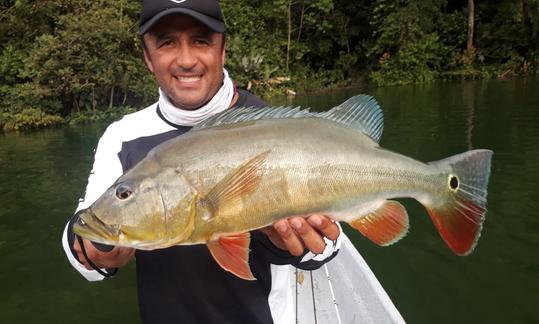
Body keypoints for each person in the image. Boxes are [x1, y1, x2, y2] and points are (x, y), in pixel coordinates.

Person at [61, 1, 343, 323]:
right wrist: (92, 249)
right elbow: (80, 235)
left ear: (222, 50)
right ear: (148, 57)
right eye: (166, 42)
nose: (185, 60)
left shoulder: (273, 127)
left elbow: (330, 247)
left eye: (201, 40)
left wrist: (294, 244)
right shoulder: (123, 136)